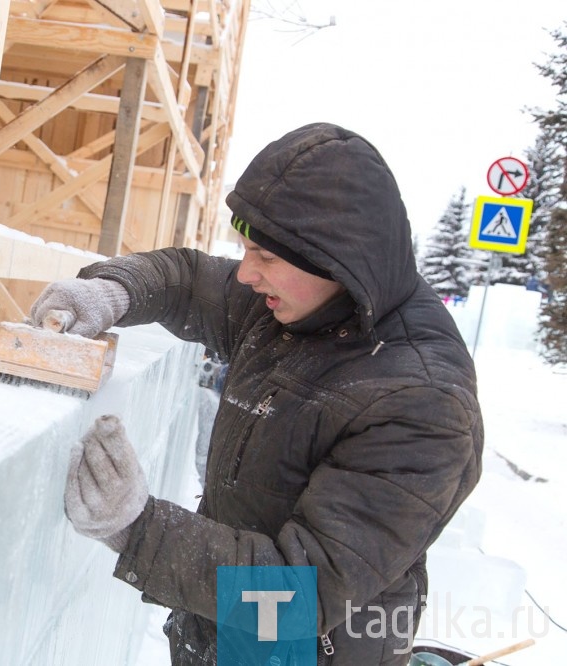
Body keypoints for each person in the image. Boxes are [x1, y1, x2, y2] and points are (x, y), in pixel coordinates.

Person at [30, 123, 484, 665]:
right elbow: (187, 278)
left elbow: (297, 598)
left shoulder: (419, 403)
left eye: (266, 257)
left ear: (336, 260)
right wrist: (114, 290)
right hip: (223, 634)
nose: (247, 273)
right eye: (246, 249)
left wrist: (137, 529)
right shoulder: (297, 305)